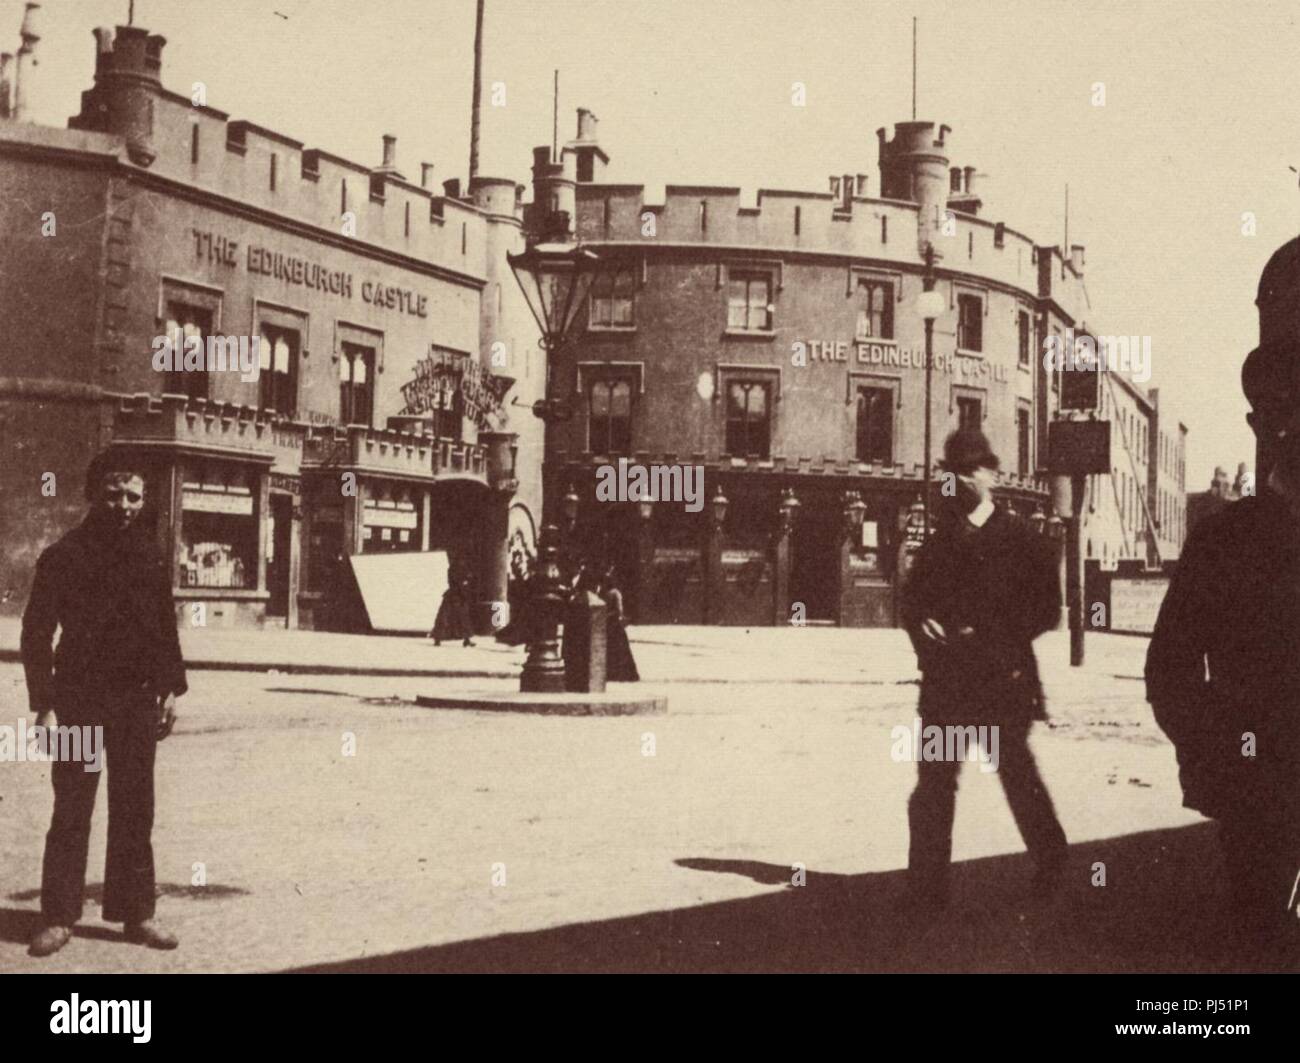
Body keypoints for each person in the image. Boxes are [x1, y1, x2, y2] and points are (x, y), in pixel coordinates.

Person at [1146, 343, 1300, 963]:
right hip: (1258, 784)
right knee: (1259, 941)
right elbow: (1170, 669)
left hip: (1251, 777)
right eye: (1282, 422)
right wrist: (1215, 750)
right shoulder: (1226, 541)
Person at [21, 452, 187, 958]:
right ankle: (57, 917)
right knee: (73, 807)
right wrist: (45, 705)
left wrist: (169, 690)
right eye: (114, 494)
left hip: (137, 701)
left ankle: (136, 915)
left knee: (136, 808)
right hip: (80, 702)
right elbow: (36, 633)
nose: (124, 505)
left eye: (134, 496)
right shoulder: (65, 555)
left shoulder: (149, 554)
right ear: (96, 494)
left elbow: (163, 626)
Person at [900, 428, 1067, 908]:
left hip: (1001, 682)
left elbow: (1046, 610)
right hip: (947, 685)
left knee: (1017, 774)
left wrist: (988, 634)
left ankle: (1052, 860)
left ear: (989, 475)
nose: (955, 482)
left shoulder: (1021, 538)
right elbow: (911, 601)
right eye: (950, 473)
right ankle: (926, 888)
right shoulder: (940, 537)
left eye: (965, 472)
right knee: (933, 785)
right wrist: (921, 623)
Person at [599, 564, 639, 682]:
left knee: (614, 649)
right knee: (617, 650)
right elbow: (619, 611)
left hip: (611, 624)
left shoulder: (610, 593)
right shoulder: (612, 593)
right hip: (612, 625)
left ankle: (616, 673)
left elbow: (618, 611)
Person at [431, 564, 475, 647]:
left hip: (453, 595)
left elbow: (455, 581)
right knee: (462, 618)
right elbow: (459, 582)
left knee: (447, 617)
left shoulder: (453, 568)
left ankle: (438, 638)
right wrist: (465, 583)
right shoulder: (459, 568)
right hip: (457, 596)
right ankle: (466, 640)